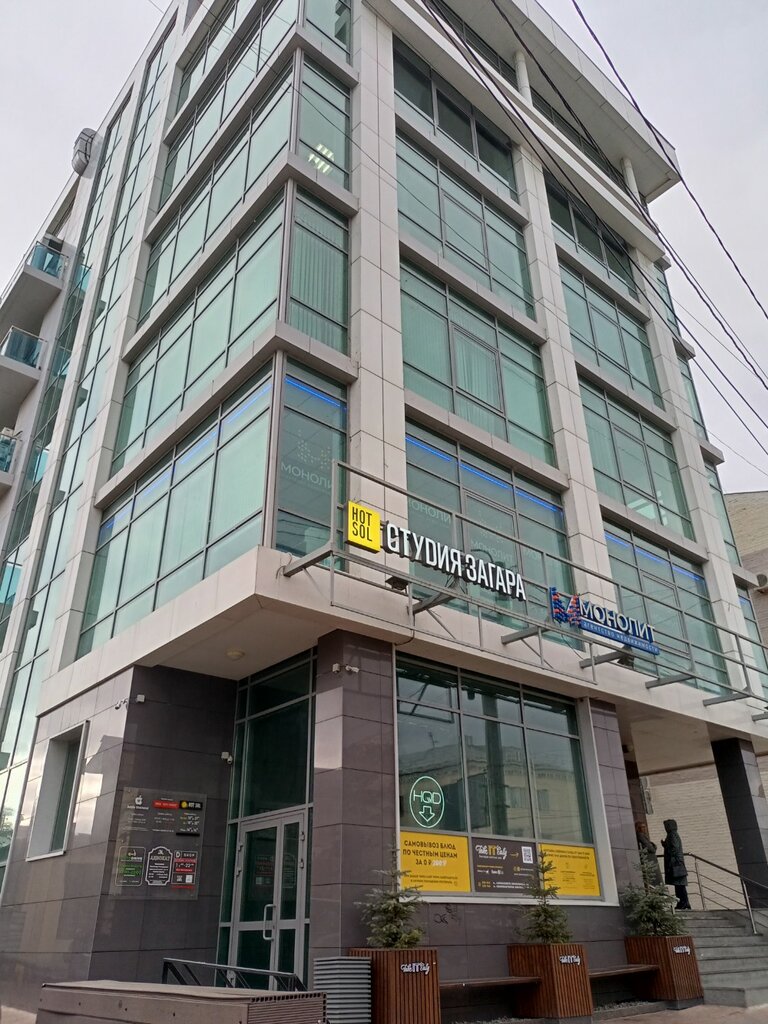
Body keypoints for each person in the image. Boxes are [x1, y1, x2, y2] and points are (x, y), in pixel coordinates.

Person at [662, 818, 691, 910]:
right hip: (677, 863)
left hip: (675, 864)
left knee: (679, 885)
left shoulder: (672, 835)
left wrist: (667, 849)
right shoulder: (674, 834)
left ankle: (683, 903)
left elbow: (674, 847)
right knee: (679, 885)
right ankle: (684, 903)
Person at [635, 821, 663, 886]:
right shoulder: (640, 836)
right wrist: (653, 845)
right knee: (654, 880)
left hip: (650, 860)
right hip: (649, 860)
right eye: (642, 827)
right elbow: (652, 849)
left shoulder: (642, 836)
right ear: (639, 828)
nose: (645, 829)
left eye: (645, 827)